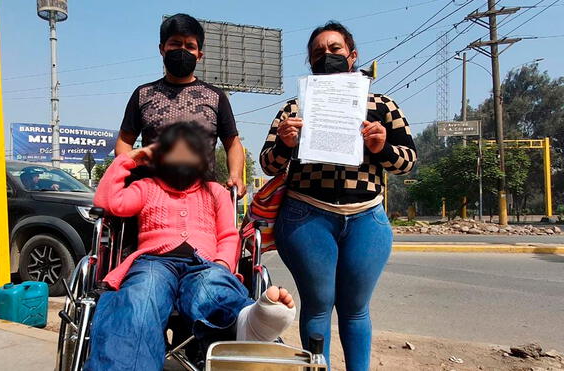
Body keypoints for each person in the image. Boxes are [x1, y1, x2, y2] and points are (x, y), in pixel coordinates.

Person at [259, 22, 417, 371]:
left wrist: (382, 146)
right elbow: (268, 164)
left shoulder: (382, 106)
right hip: (307, 216)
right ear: (310, 62)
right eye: (318, 53)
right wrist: (284, 144)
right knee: (317, 304)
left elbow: (407, 162)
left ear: (353, 55)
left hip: (367, 219)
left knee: (356, 308)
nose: (326, 56)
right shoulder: (294, 109)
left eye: (334, 49)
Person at [85, 122, 296, 371]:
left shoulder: (216, 192)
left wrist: (221, 264)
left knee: (211, 286)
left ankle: (248, 323)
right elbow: (109, 203)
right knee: (142, 294)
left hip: (204, 263)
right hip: (154, 261)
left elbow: (229, 236)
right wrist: (129, 159)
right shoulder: (146, 187)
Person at [114, 13, 245, 197]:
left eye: (190, 46)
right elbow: (124, 141)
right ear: (162, 49)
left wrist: (236, 175)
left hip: (202, 200)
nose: (182, 50)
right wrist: (127, 169)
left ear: (199, 55)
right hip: (151, 197)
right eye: (175, 43)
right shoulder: (143, 94)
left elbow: (233, 143)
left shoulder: (215, 97)